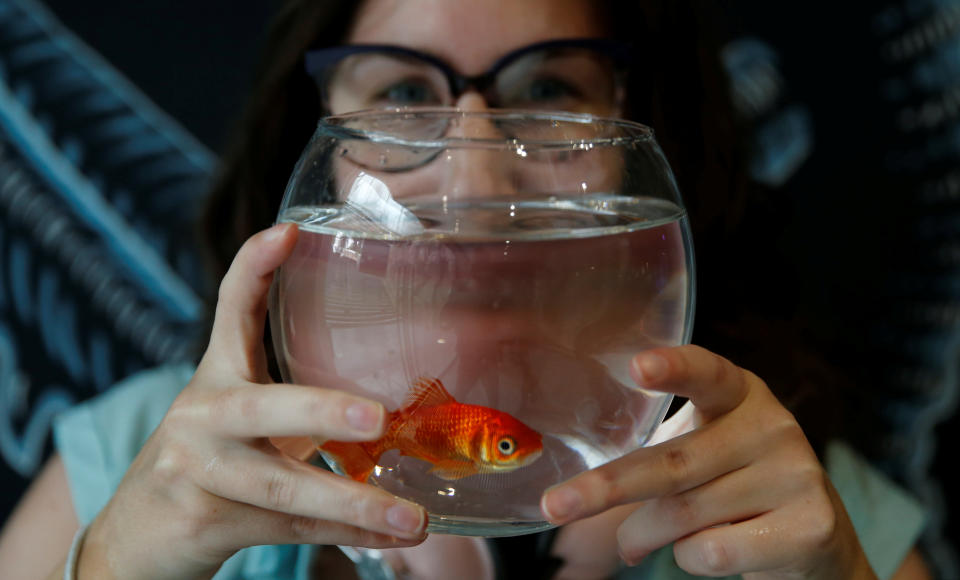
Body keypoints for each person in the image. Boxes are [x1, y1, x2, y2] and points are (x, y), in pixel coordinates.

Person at [0, 0, 933, 578]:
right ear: (311, 145)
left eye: (551, 89)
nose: (474, 177)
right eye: (405, 98)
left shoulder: (770, 493)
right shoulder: (139, 458)